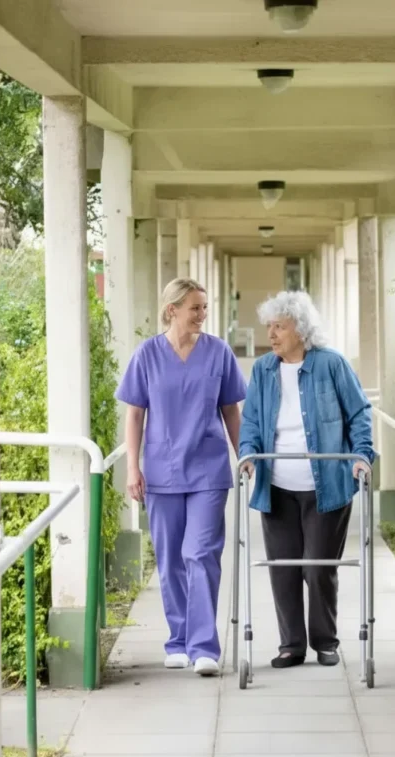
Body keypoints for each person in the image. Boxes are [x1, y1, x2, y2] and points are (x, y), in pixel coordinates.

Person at [115, 277, 247, 677]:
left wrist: (246, 458)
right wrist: (132, 467)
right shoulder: (147, 355)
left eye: (204, 308)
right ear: (172, 309)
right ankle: (178, 640)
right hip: (161, 470)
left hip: (208, 469)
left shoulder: (218, 353)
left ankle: (205, 646)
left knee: (201, 554)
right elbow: (135, 414)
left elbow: (231, 412)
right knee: (171, 559)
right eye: (195, 308)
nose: (202, 315)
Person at [239, 290, 375, 669]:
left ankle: (325, 641)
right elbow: (250, 421)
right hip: (276, 485)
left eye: (279, 326)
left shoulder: (331, 365)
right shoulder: (263, 370)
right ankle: (291, 645)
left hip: (327, 486)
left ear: (300, 329)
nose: (272, 334)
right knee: (283, 568)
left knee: (318, 567)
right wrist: (247, 454)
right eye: (270, 326)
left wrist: (362, 455)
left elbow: (359, 413)